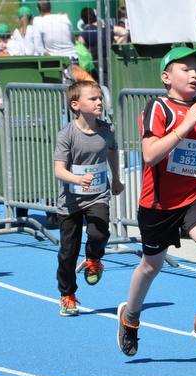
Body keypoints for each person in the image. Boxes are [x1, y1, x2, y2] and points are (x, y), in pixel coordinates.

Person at [116, 47, 196, 357]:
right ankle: (130, 317)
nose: (195, 75)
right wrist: (184, 126)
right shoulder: (158, 108)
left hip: (195, 196)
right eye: (187, 69)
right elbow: (150, 154)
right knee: (151, 266)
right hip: (159, 204)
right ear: (166, 77)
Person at [54, 80, 123, 316]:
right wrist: (77, 179)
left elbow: (112, 151)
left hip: (98, 195)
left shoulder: (107, 130)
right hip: (71, 201)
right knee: (68, 251)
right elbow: (59, 170)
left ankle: (93, 259)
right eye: (93, 98)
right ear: (76, 105)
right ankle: (67, 295)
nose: (99, 102)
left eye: (100, 98)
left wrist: (116, 178)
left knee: (99, 233)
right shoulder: (67, 134)